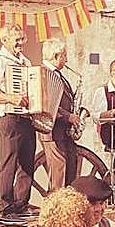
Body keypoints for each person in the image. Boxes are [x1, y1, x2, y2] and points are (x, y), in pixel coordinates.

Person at [0, 23, 36, 222]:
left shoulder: (26, 62)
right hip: (9, 117)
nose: (21, 43)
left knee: (27, 162)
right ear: (4, 40)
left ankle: (21, 204)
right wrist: (11, 98)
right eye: (17, 40)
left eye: (22, 39)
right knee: (9, 161)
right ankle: (6, 208)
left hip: (26, 117)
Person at [39, 38, 83, 192]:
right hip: (52, 130)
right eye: (64, 55)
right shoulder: (42, 74)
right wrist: (68, 116)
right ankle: (57, 205)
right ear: (55, 56)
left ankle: (68, 204)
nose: (66, 59)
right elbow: (45, 104)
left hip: (64, 131)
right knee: (58, 174)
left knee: (70, 170)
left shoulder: (58, 74)